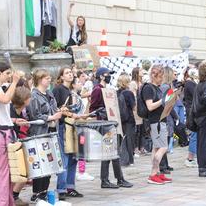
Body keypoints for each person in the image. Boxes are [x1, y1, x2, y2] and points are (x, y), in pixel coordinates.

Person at [90, 67, 133, 189]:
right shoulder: (97, 90)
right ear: (101, 76)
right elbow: (92, 109)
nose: (109, 76)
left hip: (110, 123)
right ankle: (108, 180)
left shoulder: (105, 89)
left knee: (112, 152)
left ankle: (116, 179)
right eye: (107, 74)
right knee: (109, 152)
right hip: (104, 124)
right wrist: (102, 113)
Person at [0, 62, 20, 206]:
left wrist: (14, 120)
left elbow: (0, 111)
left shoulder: (1, 88)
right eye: (7, 73)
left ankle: (8, 202)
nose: (9, 76)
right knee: (2, 170)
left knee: (10, 170)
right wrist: (15, 82)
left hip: (6, 130)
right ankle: (0, 203)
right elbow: (5, 99)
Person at [27, 69, 62, 203]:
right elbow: (34, 115)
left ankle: (44, 191)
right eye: (46, 78)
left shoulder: (49, 93)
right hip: (40, 133)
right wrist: (51, 117)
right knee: (40, 164)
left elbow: (53, 108)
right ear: (40, 79)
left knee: (49, 163)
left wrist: (58, 112)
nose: (49, 80)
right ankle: (37, 192)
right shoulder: (34, 95)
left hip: (51, 132)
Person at [53, 67, 85, 200]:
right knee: (65, 158)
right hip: (63, 127)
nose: (70, 74)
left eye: (71, 73)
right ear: (61, 77)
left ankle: (70, 186)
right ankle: (61, 189)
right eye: (67, 73)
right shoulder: (58, 89)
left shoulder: (71, 92)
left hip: (73, 126)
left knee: (73, 158)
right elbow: (55, 108)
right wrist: (66, 111)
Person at [142, 65, 172, 185]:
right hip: (156, 121)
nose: (162, 78)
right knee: (163, 147)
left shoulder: (156, 88)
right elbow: (150, 106)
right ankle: (153, 174)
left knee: (156, 147)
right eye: (160, 76)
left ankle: (157, 173)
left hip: (160, 120)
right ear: (154, 76)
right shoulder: (149, 88)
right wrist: (163, 100)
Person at [159, 67, 178, 174]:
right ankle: (163, 166)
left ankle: (165, 164)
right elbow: (168, 104)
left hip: (165, 116)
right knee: (164, 142)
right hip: (166, 117)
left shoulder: (164, 86)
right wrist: (176, 117)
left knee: (164, 141)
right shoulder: (166, 87)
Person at [117, 73, 136, 166]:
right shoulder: (129, 93)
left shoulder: (116, 92)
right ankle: (129, 160)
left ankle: (122, 158)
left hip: (120, 119)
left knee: (122, 138)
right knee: (129, 139)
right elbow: (134, 107)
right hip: (129, 119)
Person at [129, 67, 146, 156]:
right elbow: (133, 97)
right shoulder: (133, 83)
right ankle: (135, 148)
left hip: (142, 108)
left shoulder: (141, 83)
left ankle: (141, 147)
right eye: (140, 71)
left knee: (142, 129)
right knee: (137, 130)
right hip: (136, 109)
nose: (142, 72)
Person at [183, 67, 198, 167]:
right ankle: (190, 158)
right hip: (192, 112)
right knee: (194, 135)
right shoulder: (190, 83)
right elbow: (196, 96)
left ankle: (191, 157)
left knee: (195, 135)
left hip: (192, 111)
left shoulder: (190, 83)